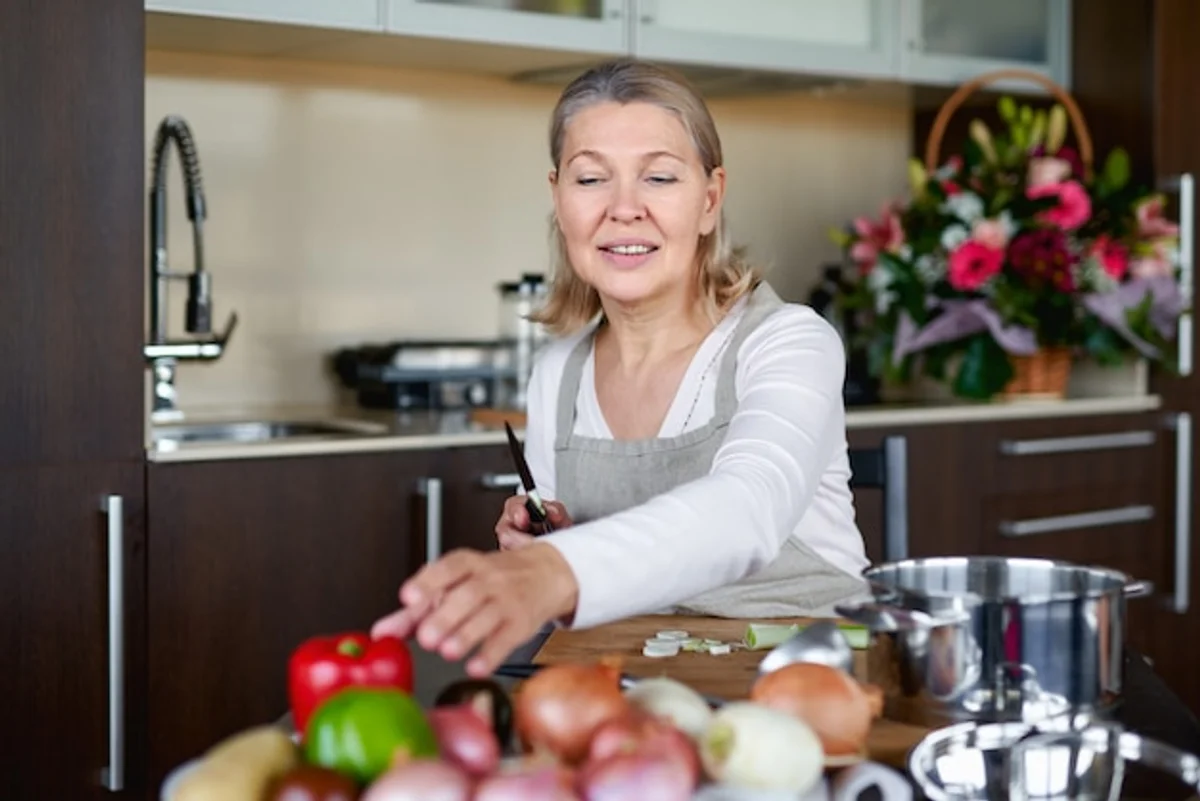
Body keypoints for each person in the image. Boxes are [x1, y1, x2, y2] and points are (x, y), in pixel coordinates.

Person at [372, 57, 870, 678]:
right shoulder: (557, 373)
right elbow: (574, 595)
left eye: (659, 178)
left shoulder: (790, 342)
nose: (623, 208)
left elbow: (748, 510)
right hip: (624, 689)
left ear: (709, 200)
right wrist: (547, 541)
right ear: (557, 197)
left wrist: (554, 570)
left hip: (805, 683)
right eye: (590, 180)